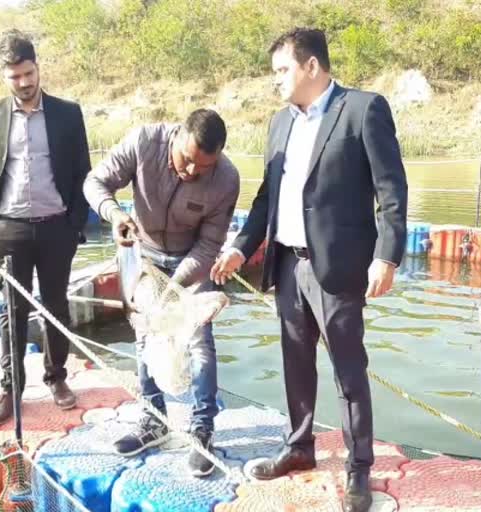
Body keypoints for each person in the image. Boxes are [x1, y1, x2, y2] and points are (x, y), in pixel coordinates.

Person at [211, 28, 407, 512]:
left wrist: (387, 255)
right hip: (287, 263)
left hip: (339, 268)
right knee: (295, 365)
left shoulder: (362, 110)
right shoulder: (280, 123)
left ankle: (359, 467)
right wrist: (241, 246)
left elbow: (392, 191)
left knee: (348, 371)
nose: (275, 80)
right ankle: (299, 448)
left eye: (282, 70)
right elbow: (266, 198)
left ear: (312, 66)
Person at [83, 108, 240, 477]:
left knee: (199, 340)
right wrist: (116, 215)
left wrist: (173, 288)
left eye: (202, 168)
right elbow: (95, 182)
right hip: (143, 254)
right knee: (144, 334)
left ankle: (202, 428)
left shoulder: (227, 179)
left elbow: (209, 246)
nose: (191, 173)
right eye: (186, 161)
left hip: (190, 263)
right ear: (177, 137)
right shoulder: (144, 142)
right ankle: (153, 419)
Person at [0, 32, 91, 426]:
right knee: (11, 313)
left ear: (38, 68)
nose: (23, 83)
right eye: (15, 76)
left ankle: (56, 379)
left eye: (28, 73)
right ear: (5, 77)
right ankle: (10, 387)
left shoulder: (69, 113)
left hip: (57, 227)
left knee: (56, 307)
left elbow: (83, 173)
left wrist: (74, 223)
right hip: (9, 229)